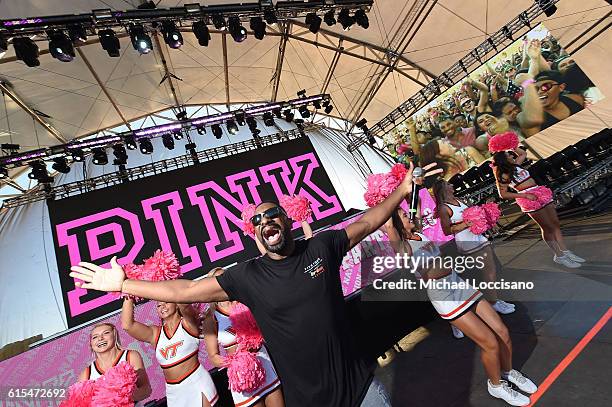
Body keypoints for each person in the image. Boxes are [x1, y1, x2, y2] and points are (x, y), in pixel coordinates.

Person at [69, 163, 443, 407]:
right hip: (305, 401)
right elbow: (182, 291)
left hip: (362, 390)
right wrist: (124, 284)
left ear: (285, 221)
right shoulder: (246, 276)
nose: (267, 220)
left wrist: (402, 190)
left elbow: (369, 222)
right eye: (259, 219)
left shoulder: (322, 246)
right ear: (257, 233)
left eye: (273, 214)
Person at [384, 206, 537, 406]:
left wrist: (416, 182)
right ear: (396, 225)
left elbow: (418, 209)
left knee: (502, 331)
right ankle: (496, 385)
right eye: (404, 215)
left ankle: (508, 372)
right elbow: (391, 228)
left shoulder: (418, 233)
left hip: (459, 284)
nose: (408, 215)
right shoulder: (403, 247)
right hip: (445, 296)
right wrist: (388, 218)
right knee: (490, 342)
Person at [490, 134, 585, 268]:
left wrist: (512, 145)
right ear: (504, 160)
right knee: (547, 227)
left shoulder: (516, 165)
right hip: (528, 198)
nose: (512, 155)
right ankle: (559, 255)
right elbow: (503, 194)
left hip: (540, 192)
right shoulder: (503, 174)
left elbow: (522, 153)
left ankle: (565, 251)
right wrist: (524, 196)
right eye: (509, 155)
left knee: (555, 223)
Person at [431, 179, 515, 316]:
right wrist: (465, 224)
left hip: (478, 236)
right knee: (488, 271)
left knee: (491, 269)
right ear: (443, 189)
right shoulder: (443, 208)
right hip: (467, 241)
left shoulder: (459, 199)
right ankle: (493, 303)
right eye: (448, 184)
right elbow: (447, 231)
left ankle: (494, 300)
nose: (452, 185)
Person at [202, 268, 284, 407]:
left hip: (264, 364)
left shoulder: (245, 301)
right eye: (217, 280)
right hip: (243, 377)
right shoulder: (211, 317)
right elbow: (213, 357)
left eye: (225, 278)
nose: (222, 283)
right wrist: (236, 362)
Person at [121, 298, 219, 406]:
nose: (162, 307)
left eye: (166, 302)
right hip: (174, 391)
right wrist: (128, 296)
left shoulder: (188, 324)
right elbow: (127, 325)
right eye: (159, 305)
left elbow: (185, 306)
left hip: (196, 382)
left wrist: (170, 291)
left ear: (176, 305)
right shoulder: (155, 334)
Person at [78, 322, 152, 405]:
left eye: (106, 333)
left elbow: (146, 389)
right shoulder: (86, 374)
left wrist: (130, 395)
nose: (100, 338)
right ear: (91, 344)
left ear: (114, 335)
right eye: (95, 337)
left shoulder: (130, 356)